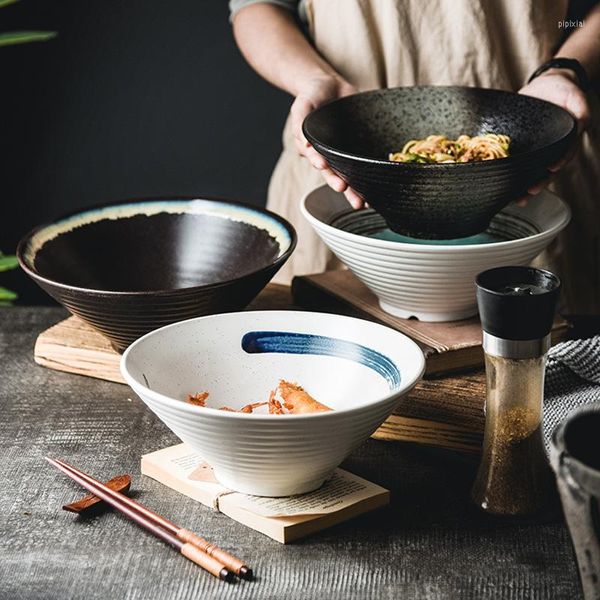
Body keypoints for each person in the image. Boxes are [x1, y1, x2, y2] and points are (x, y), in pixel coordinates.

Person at [230, 0, 600, 314]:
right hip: (339, 172)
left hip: (536, 168)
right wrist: (313, 78)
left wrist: (567, 68)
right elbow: (257, 7)